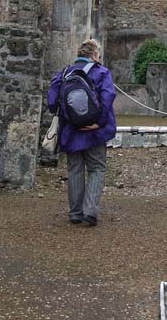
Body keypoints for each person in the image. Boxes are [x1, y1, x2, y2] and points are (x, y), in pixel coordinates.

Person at [47, 39, 117, 226]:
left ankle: (75, 213)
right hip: (94, 133)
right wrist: (98, 123)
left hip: (71, 132)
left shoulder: (64, 74)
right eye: (99, 55)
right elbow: (108, 97)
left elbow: (52, 103)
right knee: (97, 168)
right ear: (94, 55)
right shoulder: (102, 72)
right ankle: (90, 211)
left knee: (75, 170)